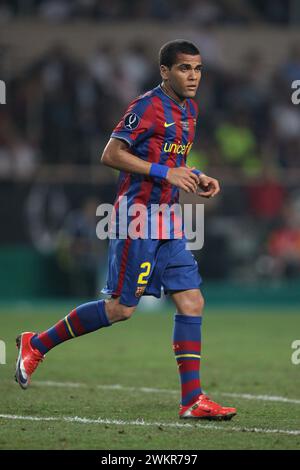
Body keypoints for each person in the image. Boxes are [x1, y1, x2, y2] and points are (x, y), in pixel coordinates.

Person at [15, 40, 236, 421]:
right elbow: (110, 154)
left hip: (169, 218)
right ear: (165, 71)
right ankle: (37, 343)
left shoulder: (190, 109)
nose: (193, 76)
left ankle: (193, 400)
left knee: (191, 301)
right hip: (138, 216)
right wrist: (166, 173)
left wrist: (196, 176)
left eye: (198, 69)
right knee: (121, 309)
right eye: (184, 68)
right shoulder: (146, 106)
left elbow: (171, 159)